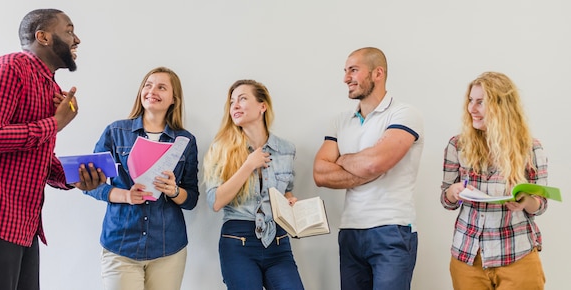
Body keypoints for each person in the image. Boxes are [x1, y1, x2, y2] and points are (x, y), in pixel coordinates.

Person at [0, 8, 107, 290]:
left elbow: (34, 158)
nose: (76, 39)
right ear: (42, 36)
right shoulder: (9, 67)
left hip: (21, 224)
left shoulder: (48, 87)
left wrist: (76, 177)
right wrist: (55, 123)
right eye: (68, 30)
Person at [313, 47, 424, 290]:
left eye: (353, 70)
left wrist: (342, 159)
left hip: (392, 229)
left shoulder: (404, 114)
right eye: (345, 71)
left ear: (378, 73)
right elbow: (320, 173)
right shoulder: (340, 121)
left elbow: (376, 163)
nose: (345, 78)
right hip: (350, 231)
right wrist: (367, 167)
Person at [83, 67, 199, 290]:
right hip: (121, 246)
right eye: (148, 84)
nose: (152, 90)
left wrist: (173, 191)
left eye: (161, 87)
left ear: (174, 99)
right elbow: (90, 184)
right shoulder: (115, 132)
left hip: (167, 249)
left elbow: (191, 199)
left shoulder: (185, 141)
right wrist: (125, 195)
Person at [440, 72, 548, 290]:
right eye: (470, 100)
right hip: (467, 258)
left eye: (480, 102)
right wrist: (453, 192)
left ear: (502, 106)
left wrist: (525, 201)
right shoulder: (457, 145)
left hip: (517, 256)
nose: (472, 108)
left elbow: (541, 203)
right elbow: (446, 200)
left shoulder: (530, 148)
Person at [203, 79, 305, 290]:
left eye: (242, 99)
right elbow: (215, 201)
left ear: (262, 106)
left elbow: (286, 191)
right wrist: (248, 165)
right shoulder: (221, 149)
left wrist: (290, 202)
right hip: (238, 241)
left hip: (278, 241)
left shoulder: (286, 149)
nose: (235, 106)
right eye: (232, 102)